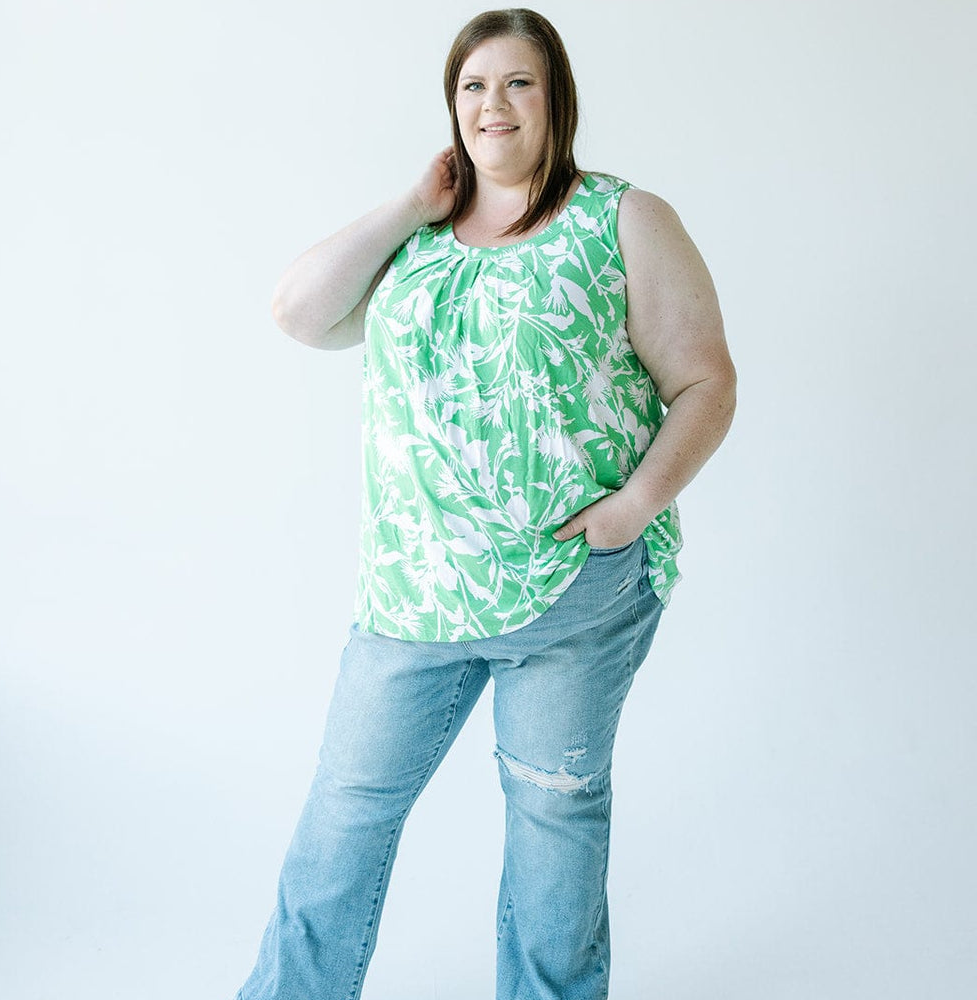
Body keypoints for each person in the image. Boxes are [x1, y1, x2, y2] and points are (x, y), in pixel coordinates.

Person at [236, 8, 736, 1000]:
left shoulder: (622, 218)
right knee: (344, 818)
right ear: (450, 107)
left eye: (517, 83)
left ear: (555, 101)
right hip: (413, 595)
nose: (492, 104)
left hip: (570, 598)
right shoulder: (417, 244)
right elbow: (297, 312)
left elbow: (705, 382)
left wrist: (635, 503)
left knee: (553, 834)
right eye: (472, 86)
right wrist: (411, 201)